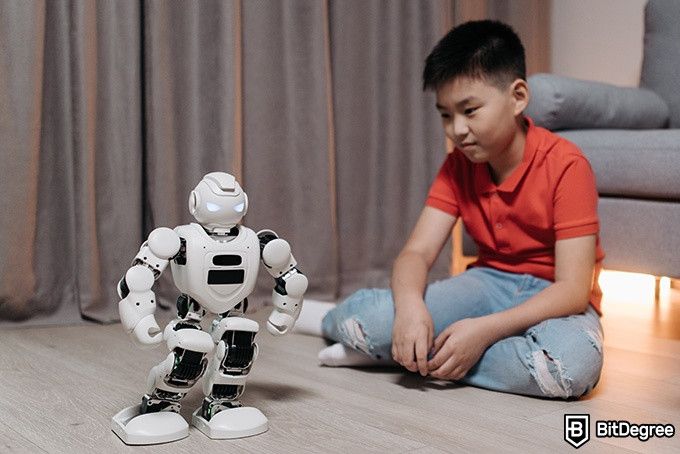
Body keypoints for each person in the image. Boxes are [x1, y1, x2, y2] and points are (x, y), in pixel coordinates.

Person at [297, 20, 605, 399]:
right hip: (487, 284)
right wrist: (409, 309)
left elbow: (574, 289)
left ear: (518, 97)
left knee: (569, 367)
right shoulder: (458, 166)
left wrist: (483, 331)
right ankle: (343, 325)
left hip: (554, 298)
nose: (457, 130)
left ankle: (400, 356)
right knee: (379, 320)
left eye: (470, 110)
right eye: (445, 114)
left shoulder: (567, 164)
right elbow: (416, 253)